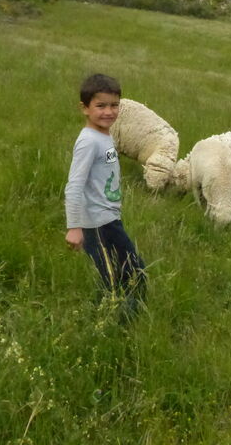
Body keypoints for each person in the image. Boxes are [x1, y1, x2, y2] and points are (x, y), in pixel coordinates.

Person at [64, 74, 146, 319]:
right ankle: (113, 321)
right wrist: (74, 227)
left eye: (114, 105)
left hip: (110, 218)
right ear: (85, 108)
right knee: (111, 277)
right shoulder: (88, 141)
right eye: (101, 106)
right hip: (95, 224)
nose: (108, 112)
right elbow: (74, 184)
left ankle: (136, 312)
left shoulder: (105, 134)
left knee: (135, 268)